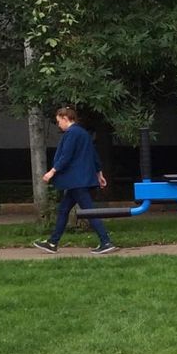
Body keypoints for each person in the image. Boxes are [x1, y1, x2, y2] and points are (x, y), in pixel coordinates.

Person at [32, 105, 117, 253]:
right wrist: (99, 174)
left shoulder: (71, 133)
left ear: (66, 118)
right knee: (64, 209)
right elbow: (93, 154)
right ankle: (53, 242)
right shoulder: (83, 133)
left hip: (76, 181)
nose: (58, 125)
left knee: (89, 211)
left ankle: (106, 241)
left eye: (59, 121)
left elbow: (66, 155)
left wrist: (52, 172)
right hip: (80, 180)